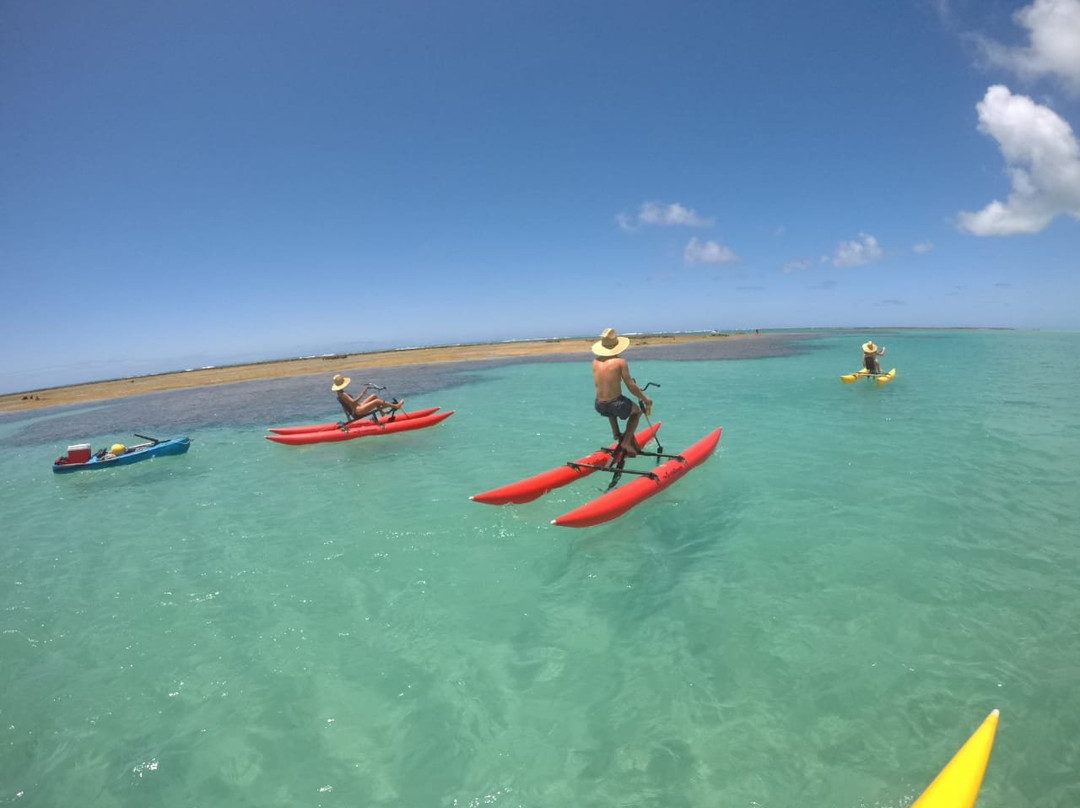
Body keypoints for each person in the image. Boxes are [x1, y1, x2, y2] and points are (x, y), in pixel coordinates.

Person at [591, 328, 652, 457]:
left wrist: (636, 388)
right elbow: (629, 385)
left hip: (599, 404)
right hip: (615, 404)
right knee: (637, 412)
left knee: (609, 407)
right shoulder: (620, 362)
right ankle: (625, 442)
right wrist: (645, 399)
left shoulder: (595, 362)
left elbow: (608, 383)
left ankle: (616, 434)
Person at [331, 374, 402, 420]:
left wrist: (348, 417)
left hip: (358, 407)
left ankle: (382, 412)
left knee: (373, 396)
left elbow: (347, 406)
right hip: (358, 411)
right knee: (377, 401)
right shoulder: (343, 394)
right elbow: (353, 402)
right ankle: (396, 406)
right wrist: (363, 393)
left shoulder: (339, 393)